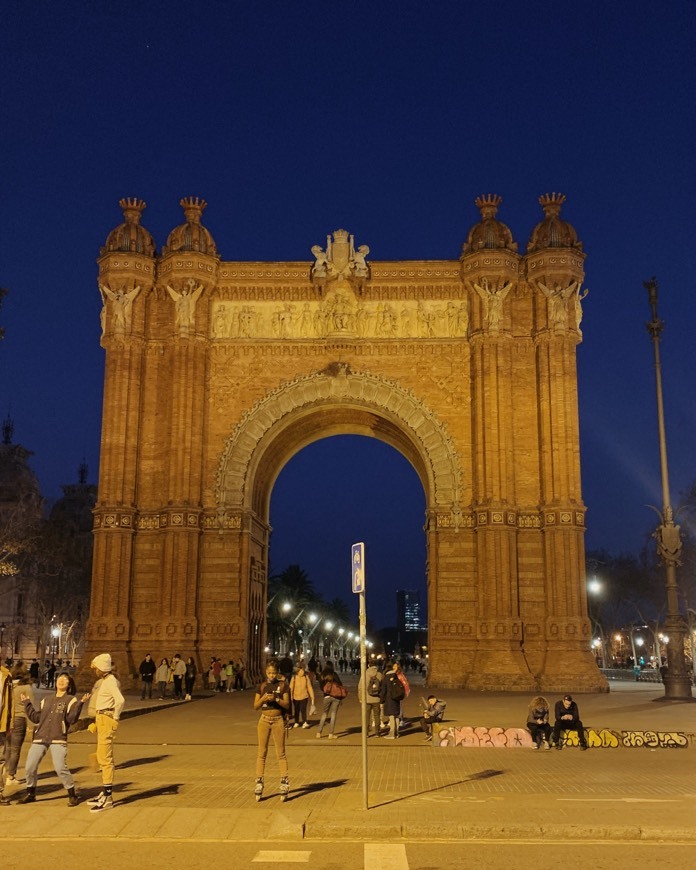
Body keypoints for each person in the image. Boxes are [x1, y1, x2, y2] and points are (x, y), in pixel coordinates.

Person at [19, 672, 88, 806]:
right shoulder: (46, 700)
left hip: (58, 737)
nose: (61, 681)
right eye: (59, 678)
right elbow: (36, 718)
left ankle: (72, 794)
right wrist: (27, 703)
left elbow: (71, 719)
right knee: (30, 767)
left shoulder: (71, 700)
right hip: (41, 736)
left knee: (60, 767)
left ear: (69, 685)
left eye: (65, 679)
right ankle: (30, 793)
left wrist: (80, 704)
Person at [85, 653, 125, 812]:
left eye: (96, 668)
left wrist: (115, 717)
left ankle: (108, 797)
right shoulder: (106, 681)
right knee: (102, 755)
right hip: (102, 719)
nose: (95, 671)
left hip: (107, 719)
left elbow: (120, 700)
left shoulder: (110, 682)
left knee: (106, 759)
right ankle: (105, 792)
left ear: (102, 668)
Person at [253, 660, 290, 802]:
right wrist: (263, 698)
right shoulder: (262, 686)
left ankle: (284, 781)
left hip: (278, 720)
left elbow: (286, 704)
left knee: (280, 753)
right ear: (265, 672)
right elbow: (255, 706)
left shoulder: (283, 686)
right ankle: (259, 780)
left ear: (277, 672)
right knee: (261, 752)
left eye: (274, 673)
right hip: (264, 720)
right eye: (269, 673)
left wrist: (276, 699)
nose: (271, 675)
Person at [5, 667, 34, 782]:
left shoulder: (9, 686)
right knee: (15, 749)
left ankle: (4, 772)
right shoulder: (26, 688)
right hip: (20, 718)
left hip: (7, 720)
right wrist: (31, 725)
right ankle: (11, 776)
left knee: (8, 747)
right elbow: (30, 707)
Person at [316, 662, 345, 739]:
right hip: (336, 696)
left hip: (326, 696)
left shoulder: (322, 675)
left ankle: (319, 732)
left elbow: (321, 687)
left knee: (324, 713)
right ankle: (330, 734)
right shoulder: (334, 674)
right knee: (333, 714)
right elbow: (340, 684)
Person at [379, 660, 405, 739]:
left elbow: (383, 690)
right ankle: (397, 733)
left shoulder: (386, 678)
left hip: (389, 699)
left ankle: (392, 733)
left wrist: (381, 700)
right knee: (396, 716)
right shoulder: (396, 676)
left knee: (391, 716)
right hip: (396, 698)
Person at [358, 661, 383, 736]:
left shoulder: (365, 674)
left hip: (367, 699)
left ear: (369, 665)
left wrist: (360, 697)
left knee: (366, 716)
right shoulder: (379, 674)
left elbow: (360, 687)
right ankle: (377, 732)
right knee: (376, 715)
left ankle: (366, 733)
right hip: (377, 699)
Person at [0, 661, 13, 805]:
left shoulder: (5, 675)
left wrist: (10, 722)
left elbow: (10, 701)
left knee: (1, 760)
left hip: (1, 725)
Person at [289, 663, 315, 729]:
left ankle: (304, 722)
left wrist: (312, 696)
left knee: (303, 710)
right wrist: (290, 696)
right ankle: (296, 722)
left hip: (304, 696)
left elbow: (309, 687)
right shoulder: (294, 678)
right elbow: (291, 688)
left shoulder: (306, 677)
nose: (303, 672)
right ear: (298, 671)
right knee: (296, 710)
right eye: (301, 670)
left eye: (303, 670)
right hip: (296, 697)